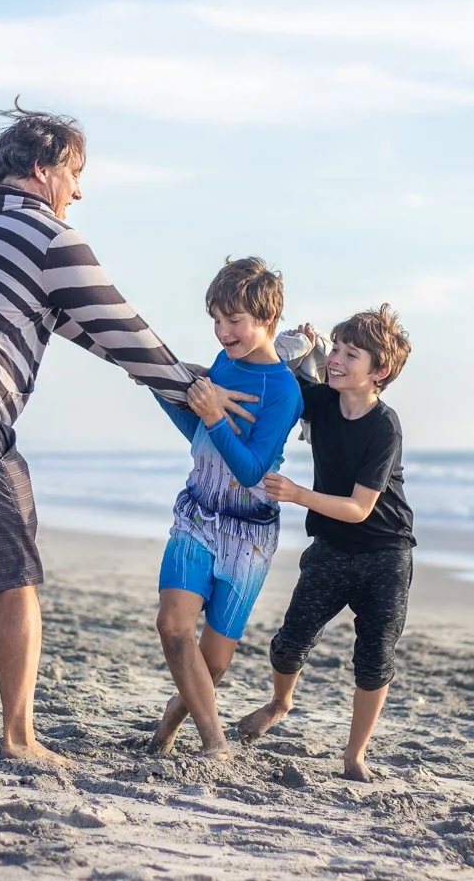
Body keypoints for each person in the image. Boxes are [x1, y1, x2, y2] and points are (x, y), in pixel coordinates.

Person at [0, 103, 257, 765]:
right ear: (42, 170)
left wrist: (180, 375)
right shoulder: (47, 238)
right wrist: (197, 388)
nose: (79, 190)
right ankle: (20, 739)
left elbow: (87, 331)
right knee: (14, 574)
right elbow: (120, 328)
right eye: (74, 172)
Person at [237, 305, 414, 782]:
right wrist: (303, 346)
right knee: (288, 643)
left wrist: (297, 494)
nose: (337, 360)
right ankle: (280, 703)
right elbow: (274, 374)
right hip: (331, 549)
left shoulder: (384, 427)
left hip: (385, 554)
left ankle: (355, 755)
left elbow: (360, 508)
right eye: (335, 349)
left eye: (350, 354)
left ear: (380, 371)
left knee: (374, 658)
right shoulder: (318, 402)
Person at [147, 258, 303, 759]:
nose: (222, 331)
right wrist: (165, 390)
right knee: (173, 626)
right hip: (198, 514)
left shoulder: (283, 391)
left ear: (266, 319)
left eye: (233, 321)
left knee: (212, 665)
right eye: (216, 319)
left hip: (249, 536)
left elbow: (253, 470)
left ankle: (163, 736)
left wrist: (213, 412)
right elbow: (202, 439)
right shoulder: (221, 366)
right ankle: (215, 744)